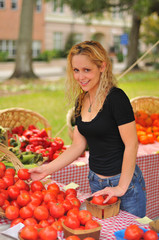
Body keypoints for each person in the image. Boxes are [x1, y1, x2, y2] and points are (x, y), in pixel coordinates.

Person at [29, 40, 146, 217]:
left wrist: (121, 187)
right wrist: (46, 169)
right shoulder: (81, 101)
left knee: (130, 234)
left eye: (87, 70)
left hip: (124, 182)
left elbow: (132, 144)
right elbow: (77, 146)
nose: (80, 77)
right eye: (76, 70)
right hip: (95, 181)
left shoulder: (116, 98)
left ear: (102, 67)